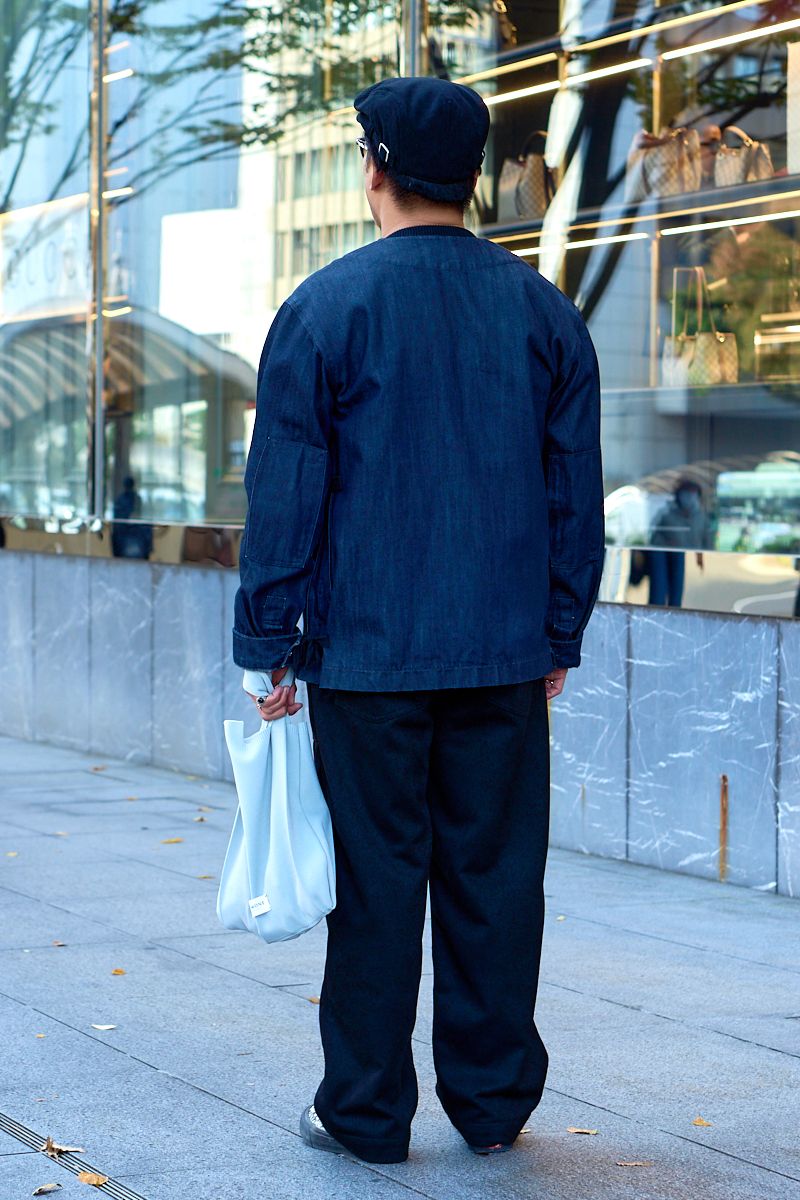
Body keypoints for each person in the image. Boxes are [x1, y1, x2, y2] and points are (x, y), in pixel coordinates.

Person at [231, 75, 605, 1165]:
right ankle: (492, 1109)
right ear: (471, 176)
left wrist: (269, 641)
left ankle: (364, 1114)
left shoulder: (323, 308)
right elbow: (570, 496)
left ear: (375, 168)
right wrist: (556, 632)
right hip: (498, 652)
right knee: (495, 882)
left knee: (376, 886)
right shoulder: (542, 311)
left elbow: (287, 494)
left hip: (365, 655)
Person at [647, 478, 714, 607]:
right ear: (678, 496)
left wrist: (701, 557)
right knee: (658, 598)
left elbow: (708, 543)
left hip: (689, 564)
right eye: (685, 494)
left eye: (692, 494)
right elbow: (653, 538)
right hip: (663, 560)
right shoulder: (666, 515)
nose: (689, 498)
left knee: (677, 601)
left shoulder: (702, 518)